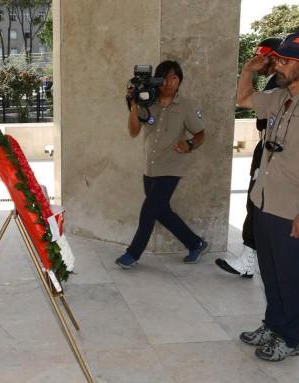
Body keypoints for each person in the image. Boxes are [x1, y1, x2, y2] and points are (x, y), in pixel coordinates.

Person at [236, 33, 299, 361]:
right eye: (277, 59)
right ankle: (273, 325)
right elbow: (244, 98)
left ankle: (291, 338)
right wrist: (248, 70)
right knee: (269, 271)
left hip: (292, 207)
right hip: (264, 199)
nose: (277, 64)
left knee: (290, 275)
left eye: (284, 60)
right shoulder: (278, 97)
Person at [116, 60, 208, 269]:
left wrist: (189, 144)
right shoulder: (147, 102)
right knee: (162, 212)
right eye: (164, 77)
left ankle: (133, 254)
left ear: (179, 81)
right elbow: (133, 131)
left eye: (174, 77)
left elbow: (201, 133)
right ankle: (196, 243)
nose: (168, 82)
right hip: (150, 167)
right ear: (156, 80)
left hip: (171, 167)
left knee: (148, 211)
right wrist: (133, 105)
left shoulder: (186, 106)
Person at [216, 37, 282, 278]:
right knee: (257, 201)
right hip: (267, 147)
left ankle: (249, 260)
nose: (257, 60)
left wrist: (247, 71)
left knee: (257, 202)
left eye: (262, 55)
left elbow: (244, 99)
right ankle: (252, 258)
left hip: (273, 151)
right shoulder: (276, 82)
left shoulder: (281, 84)